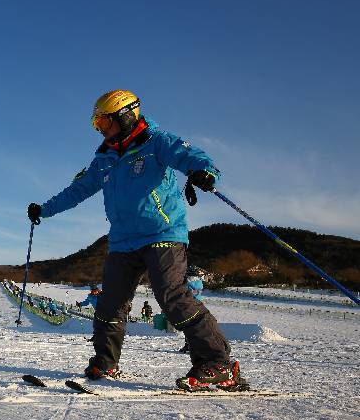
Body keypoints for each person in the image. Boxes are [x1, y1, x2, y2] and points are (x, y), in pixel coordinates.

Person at [27, 90, 242, 391]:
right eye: (97, 125)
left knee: (172, 296)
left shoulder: (156, 142)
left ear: (126, 115)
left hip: (162, 234)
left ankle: (218, 363)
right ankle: (105, 362)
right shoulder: (104, 158)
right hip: (123, 241)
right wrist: (45, 209)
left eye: (104, 123)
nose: (101, 130)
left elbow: (191, 155)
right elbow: (77, 190)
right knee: (109, 303)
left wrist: (204, 172)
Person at [179, 265, 206, 352]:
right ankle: (198, 345)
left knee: (188, 326)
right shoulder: (199, 282)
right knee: (197, 326)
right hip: (199, 304)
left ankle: (189, 345)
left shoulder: (187, 282)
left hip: (189, 305)